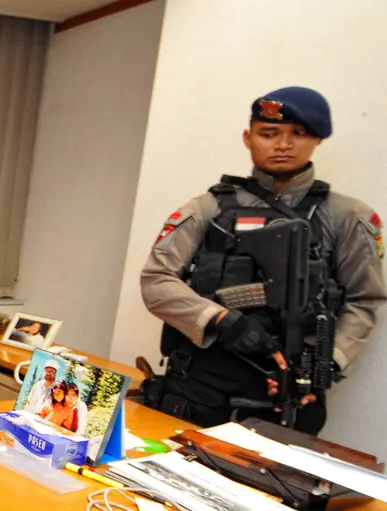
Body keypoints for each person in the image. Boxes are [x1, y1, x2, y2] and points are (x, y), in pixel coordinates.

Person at [142, 87, 387, 435]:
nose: (283, 144)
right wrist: (222, 321)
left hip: (292, 387)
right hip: (202, 382)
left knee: (272, 486)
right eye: (269, 133)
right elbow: (156, 281)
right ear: (248, 137)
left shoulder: (348, 216)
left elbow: (365, 299)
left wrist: (325, 365)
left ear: (317, 140)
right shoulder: (208, 208)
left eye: (298, 134)